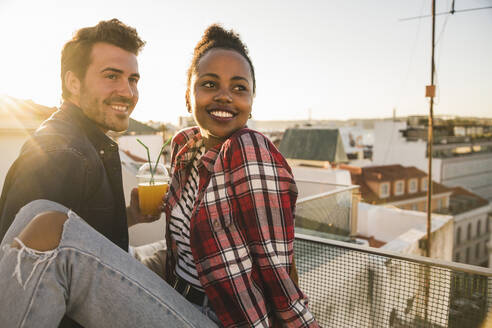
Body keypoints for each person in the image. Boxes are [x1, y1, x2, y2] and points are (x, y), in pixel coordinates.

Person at [0, 19, 180, 327]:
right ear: (73, 82)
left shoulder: (87, 143)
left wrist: (129, 216)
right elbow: (25, 275)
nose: (127, 91)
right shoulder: (61, 153)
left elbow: (75, 236)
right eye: (112, 76)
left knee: (170, 255)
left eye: (133, 79)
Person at [162, 25, 319, 327]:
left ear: (251, 100)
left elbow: (277, 265)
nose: (225, 97)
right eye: (209, 84)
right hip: (174, 294)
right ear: (188, 95)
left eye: (239, 88)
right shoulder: (184, 146)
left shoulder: (248, 149)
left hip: (219, 316)